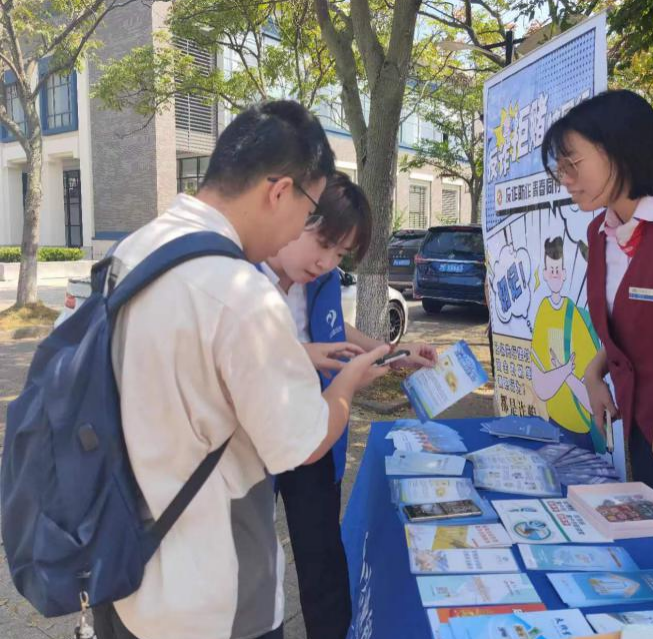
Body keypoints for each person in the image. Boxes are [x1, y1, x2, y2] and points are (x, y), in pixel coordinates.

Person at [92, 101, 391, 639]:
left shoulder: (134, 252)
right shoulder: (240, 292)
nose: (306, 233)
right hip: (213, 598)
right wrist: (346, 385)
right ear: (280, 192)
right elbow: (301, 443)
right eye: (311, 214)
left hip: (123, 570)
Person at [260, 172, 437, 639]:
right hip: (252, 443)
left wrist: (392, 354)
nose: (325, 262)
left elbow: (335, 336)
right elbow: (244, 361)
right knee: (254, 560)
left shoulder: (317, 279)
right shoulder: (237, 276)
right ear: (293, 211)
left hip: (314, 430)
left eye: (339, 255)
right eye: (324, 243)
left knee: (321, 556)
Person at [541, 89, 653, 486]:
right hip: (638, 430)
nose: (566, 180)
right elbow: (630, 328)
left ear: (621, 148)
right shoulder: (599, 234)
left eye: (573, 162)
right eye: (560, 168)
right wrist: (594, 373)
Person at [530, 235, 598, 436]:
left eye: (557, 270)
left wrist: (563, 372)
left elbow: (591, 398)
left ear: (564, 273)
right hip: (553, 422)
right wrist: (566, 370)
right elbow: (541, 387)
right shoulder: (543, 311)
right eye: (551, 271)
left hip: (579, 428)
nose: (554, 275)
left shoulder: (574, 315)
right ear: (544, 273)